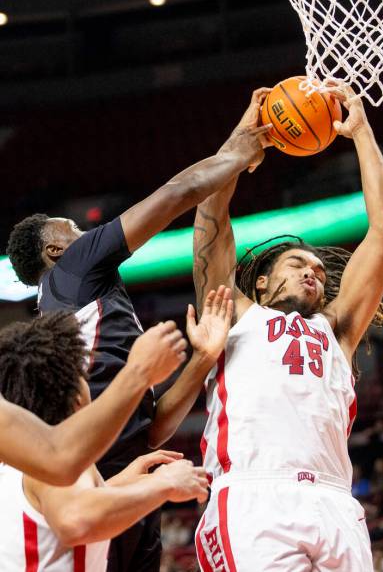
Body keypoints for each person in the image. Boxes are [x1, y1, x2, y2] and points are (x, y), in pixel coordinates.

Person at [6, 92, 271, 572]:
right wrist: (237, 153)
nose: (87, 234)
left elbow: (152, 430)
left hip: (114, 474)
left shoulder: (75, 307)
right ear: (54, 247)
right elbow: (173, 195)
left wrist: (202, 360)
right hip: (88, 476)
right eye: (74, 229)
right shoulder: (74, 269)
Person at [192, 85, 383, 571]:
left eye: (320, 270)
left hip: (335, 501)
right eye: (296, 263)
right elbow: (210, 216)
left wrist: (361, 132)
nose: (313, 272)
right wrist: (243, 140)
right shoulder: (233, 310)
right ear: (262, 280)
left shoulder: (339, 329)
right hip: (253, 495)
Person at [0, 287, 232, 571]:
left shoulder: (18, 460)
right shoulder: (61, 466)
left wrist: (121, 483)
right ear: (76, 397)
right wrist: (163, 486)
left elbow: (54, 512)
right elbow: (74, 519)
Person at [0, 316, 187, 485]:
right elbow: (73, 511)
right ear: (77, 398)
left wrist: (117, 484)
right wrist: (139, 371)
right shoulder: (39, 463)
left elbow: (73, 505)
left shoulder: (19, 463)